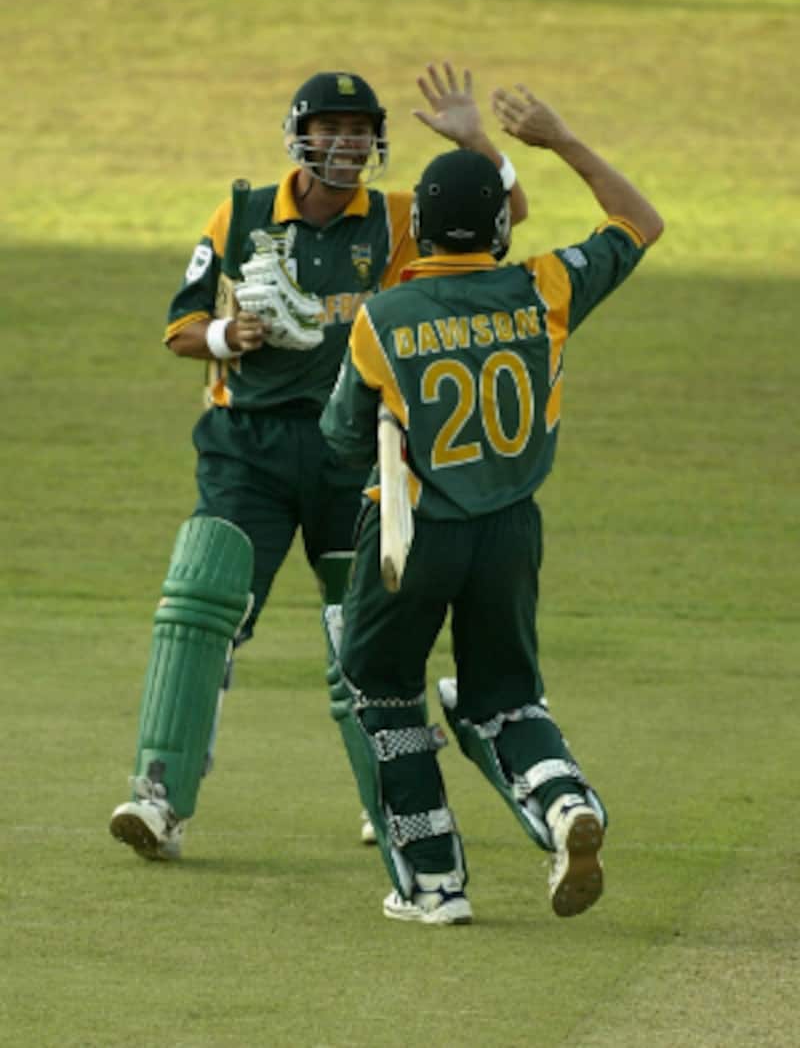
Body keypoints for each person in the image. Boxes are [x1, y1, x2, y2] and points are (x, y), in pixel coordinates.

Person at [109, 62, 528, 862]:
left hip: (355, 447)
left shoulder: (403, 220)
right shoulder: (240, 214)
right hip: (249, 450)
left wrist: (477, 142)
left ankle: (391, 793)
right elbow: (181, 326)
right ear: (299, 134)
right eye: (329, 128)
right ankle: (156, 797)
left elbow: (503, 218)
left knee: (363, 630)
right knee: (202, 606)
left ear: (378, 139)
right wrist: (232, 337)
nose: (343, 142)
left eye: (358, 129)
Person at [319, 83, 664, 924]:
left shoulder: (383, 318)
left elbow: (340, 436)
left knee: (382, 686)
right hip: (511, 529)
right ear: (502, 228)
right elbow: (640, 223)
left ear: (421, 233)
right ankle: (564, 803)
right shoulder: (544, 286)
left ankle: (434, 884)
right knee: (505, 696)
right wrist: (561, 139)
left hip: (415, 530)